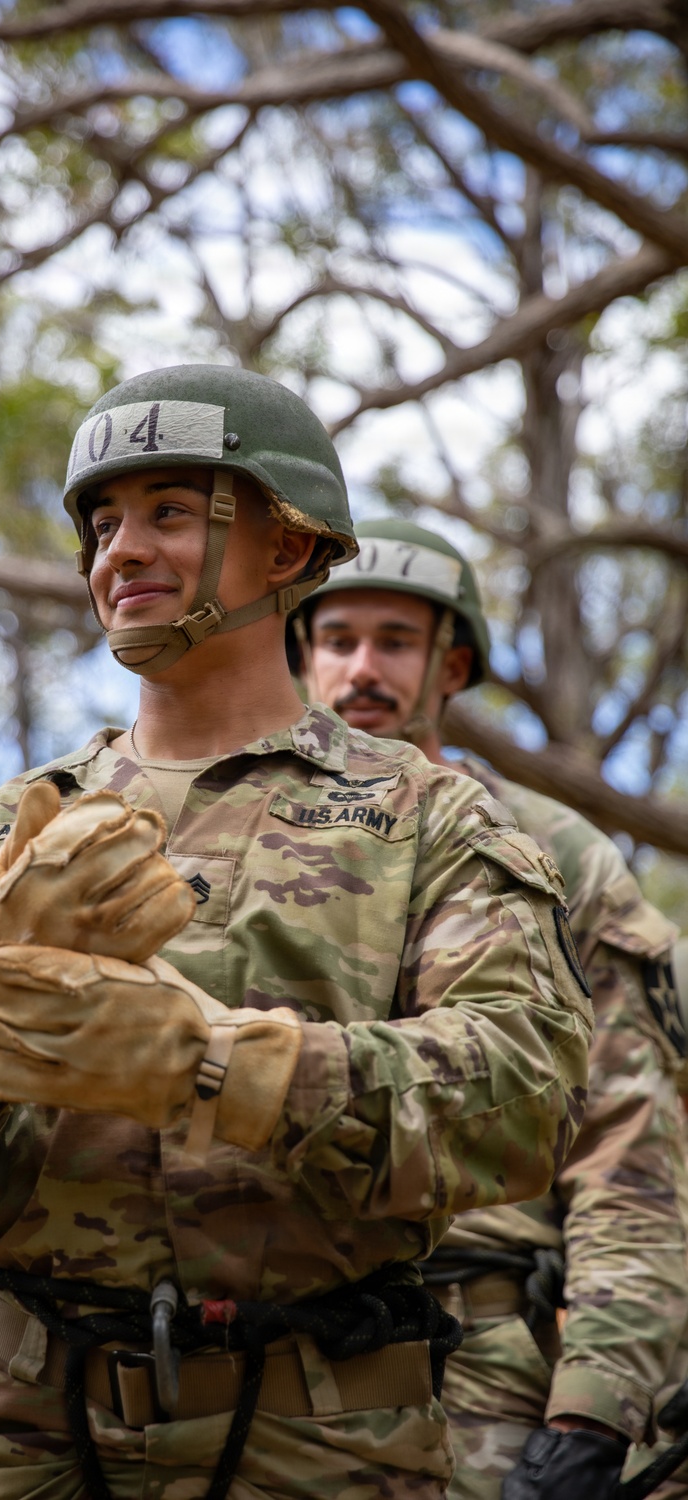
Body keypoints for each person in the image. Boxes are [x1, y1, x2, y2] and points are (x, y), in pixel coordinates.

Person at [0, 368, 591, 1500]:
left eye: (172, 512)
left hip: (321, 1438)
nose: (122, 549)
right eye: (105, 521)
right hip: (23, 1432)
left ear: (286, 551)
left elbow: (528, 1100)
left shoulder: (427, 819)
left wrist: (216, 1065)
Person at [291, 517, 688, 1499]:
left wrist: (591, 1409)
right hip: (250, 1357)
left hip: (470, 1356)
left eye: (395, 640)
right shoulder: (239, 833)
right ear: (301, 659)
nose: (362, 670)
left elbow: (630, 1153)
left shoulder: (552, 854)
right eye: (337, 640)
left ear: (451, 665)